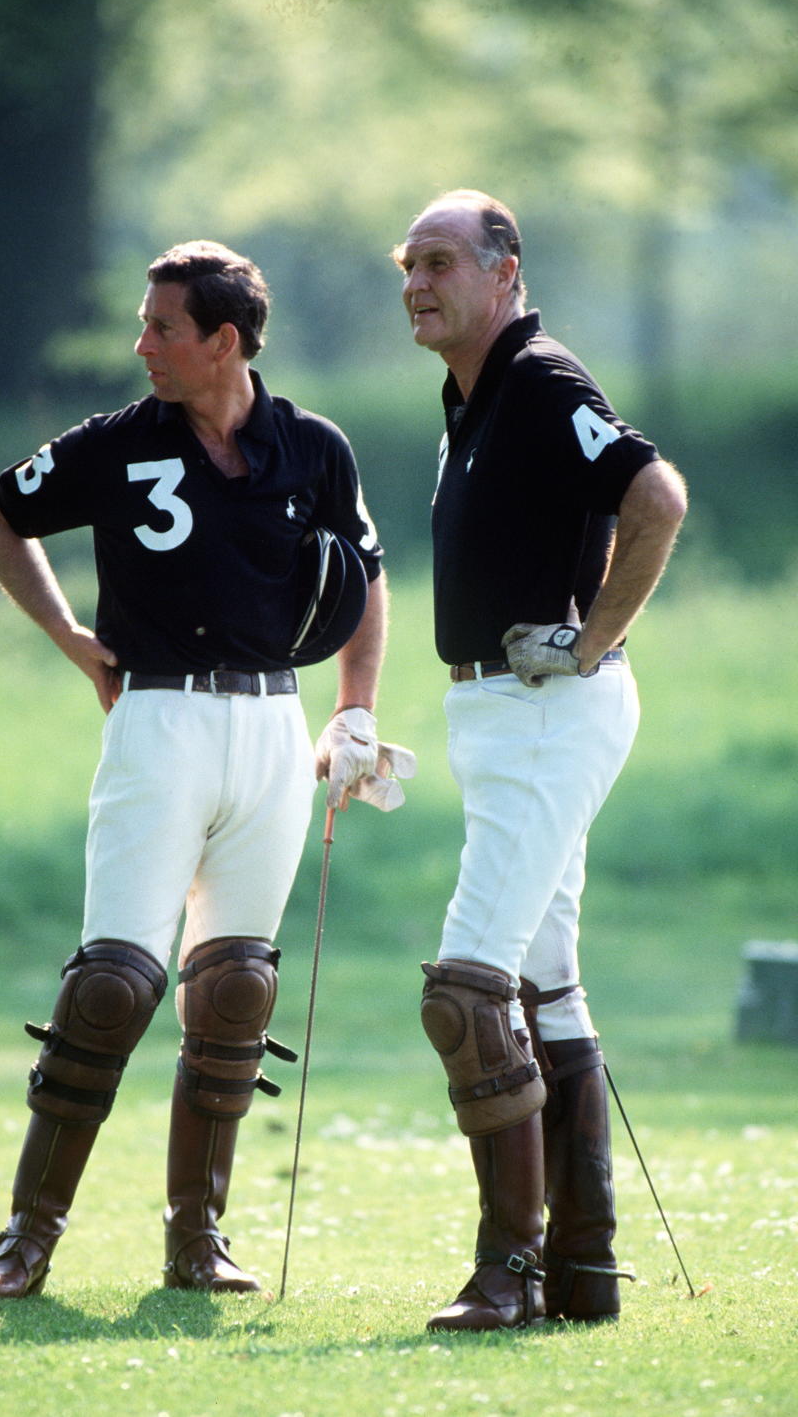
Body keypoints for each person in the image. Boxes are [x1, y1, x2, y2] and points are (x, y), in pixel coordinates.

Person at [0, 240, 413, 1300]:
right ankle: (26, 1237)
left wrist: (356, 709)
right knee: (114, 982)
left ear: (224, 341)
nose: (143, 343)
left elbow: (365, 578)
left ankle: (196, 1241)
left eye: (163, 326)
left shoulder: (313, 445)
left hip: (270, 732)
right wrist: (73, 637)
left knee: (235, 993)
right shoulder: (117, 442)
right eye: (144, 322)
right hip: (155, 718)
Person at [392, 190, 687, 1333]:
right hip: (503, 717)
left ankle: (506, 1271)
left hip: (550, 710)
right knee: (542, 983)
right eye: (408, 265)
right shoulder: (474, 392)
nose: (418, 282)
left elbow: (654, 498)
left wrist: (593, 636)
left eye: (442, 262)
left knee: (468, 989)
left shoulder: (540, 377)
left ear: (506, 272)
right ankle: (585, 1272)